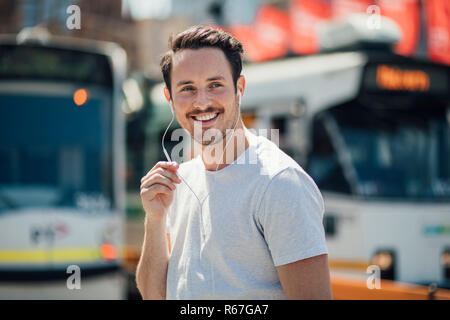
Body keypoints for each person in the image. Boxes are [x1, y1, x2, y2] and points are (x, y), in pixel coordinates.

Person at [136, 25, 332, 300]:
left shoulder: (280, 183)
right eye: (187, 88)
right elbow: (154, 296)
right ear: (170, 98)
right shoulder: (179, 182)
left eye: (215, 85)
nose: (202, 102)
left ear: (239, 88)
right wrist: (154, 220)